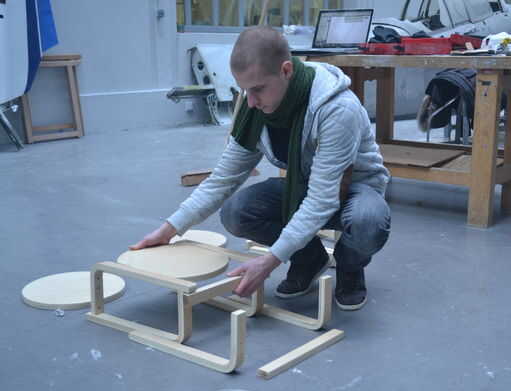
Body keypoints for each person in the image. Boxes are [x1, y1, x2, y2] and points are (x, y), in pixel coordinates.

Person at [131, 26, 390, 311]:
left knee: (368, 222)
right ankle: (309, 258)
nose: (250, 102)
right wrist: (169, 229)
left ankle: (350, 267)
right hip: (304, 184)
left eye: (257, 89)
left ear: (286, 70)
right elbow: (222, 180)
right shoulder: (257, 110)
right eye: (244, 90)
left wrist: (269, 262)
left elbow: (322, 199)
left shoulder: (336, 109)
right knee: (237, 212)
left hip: (354, 190)